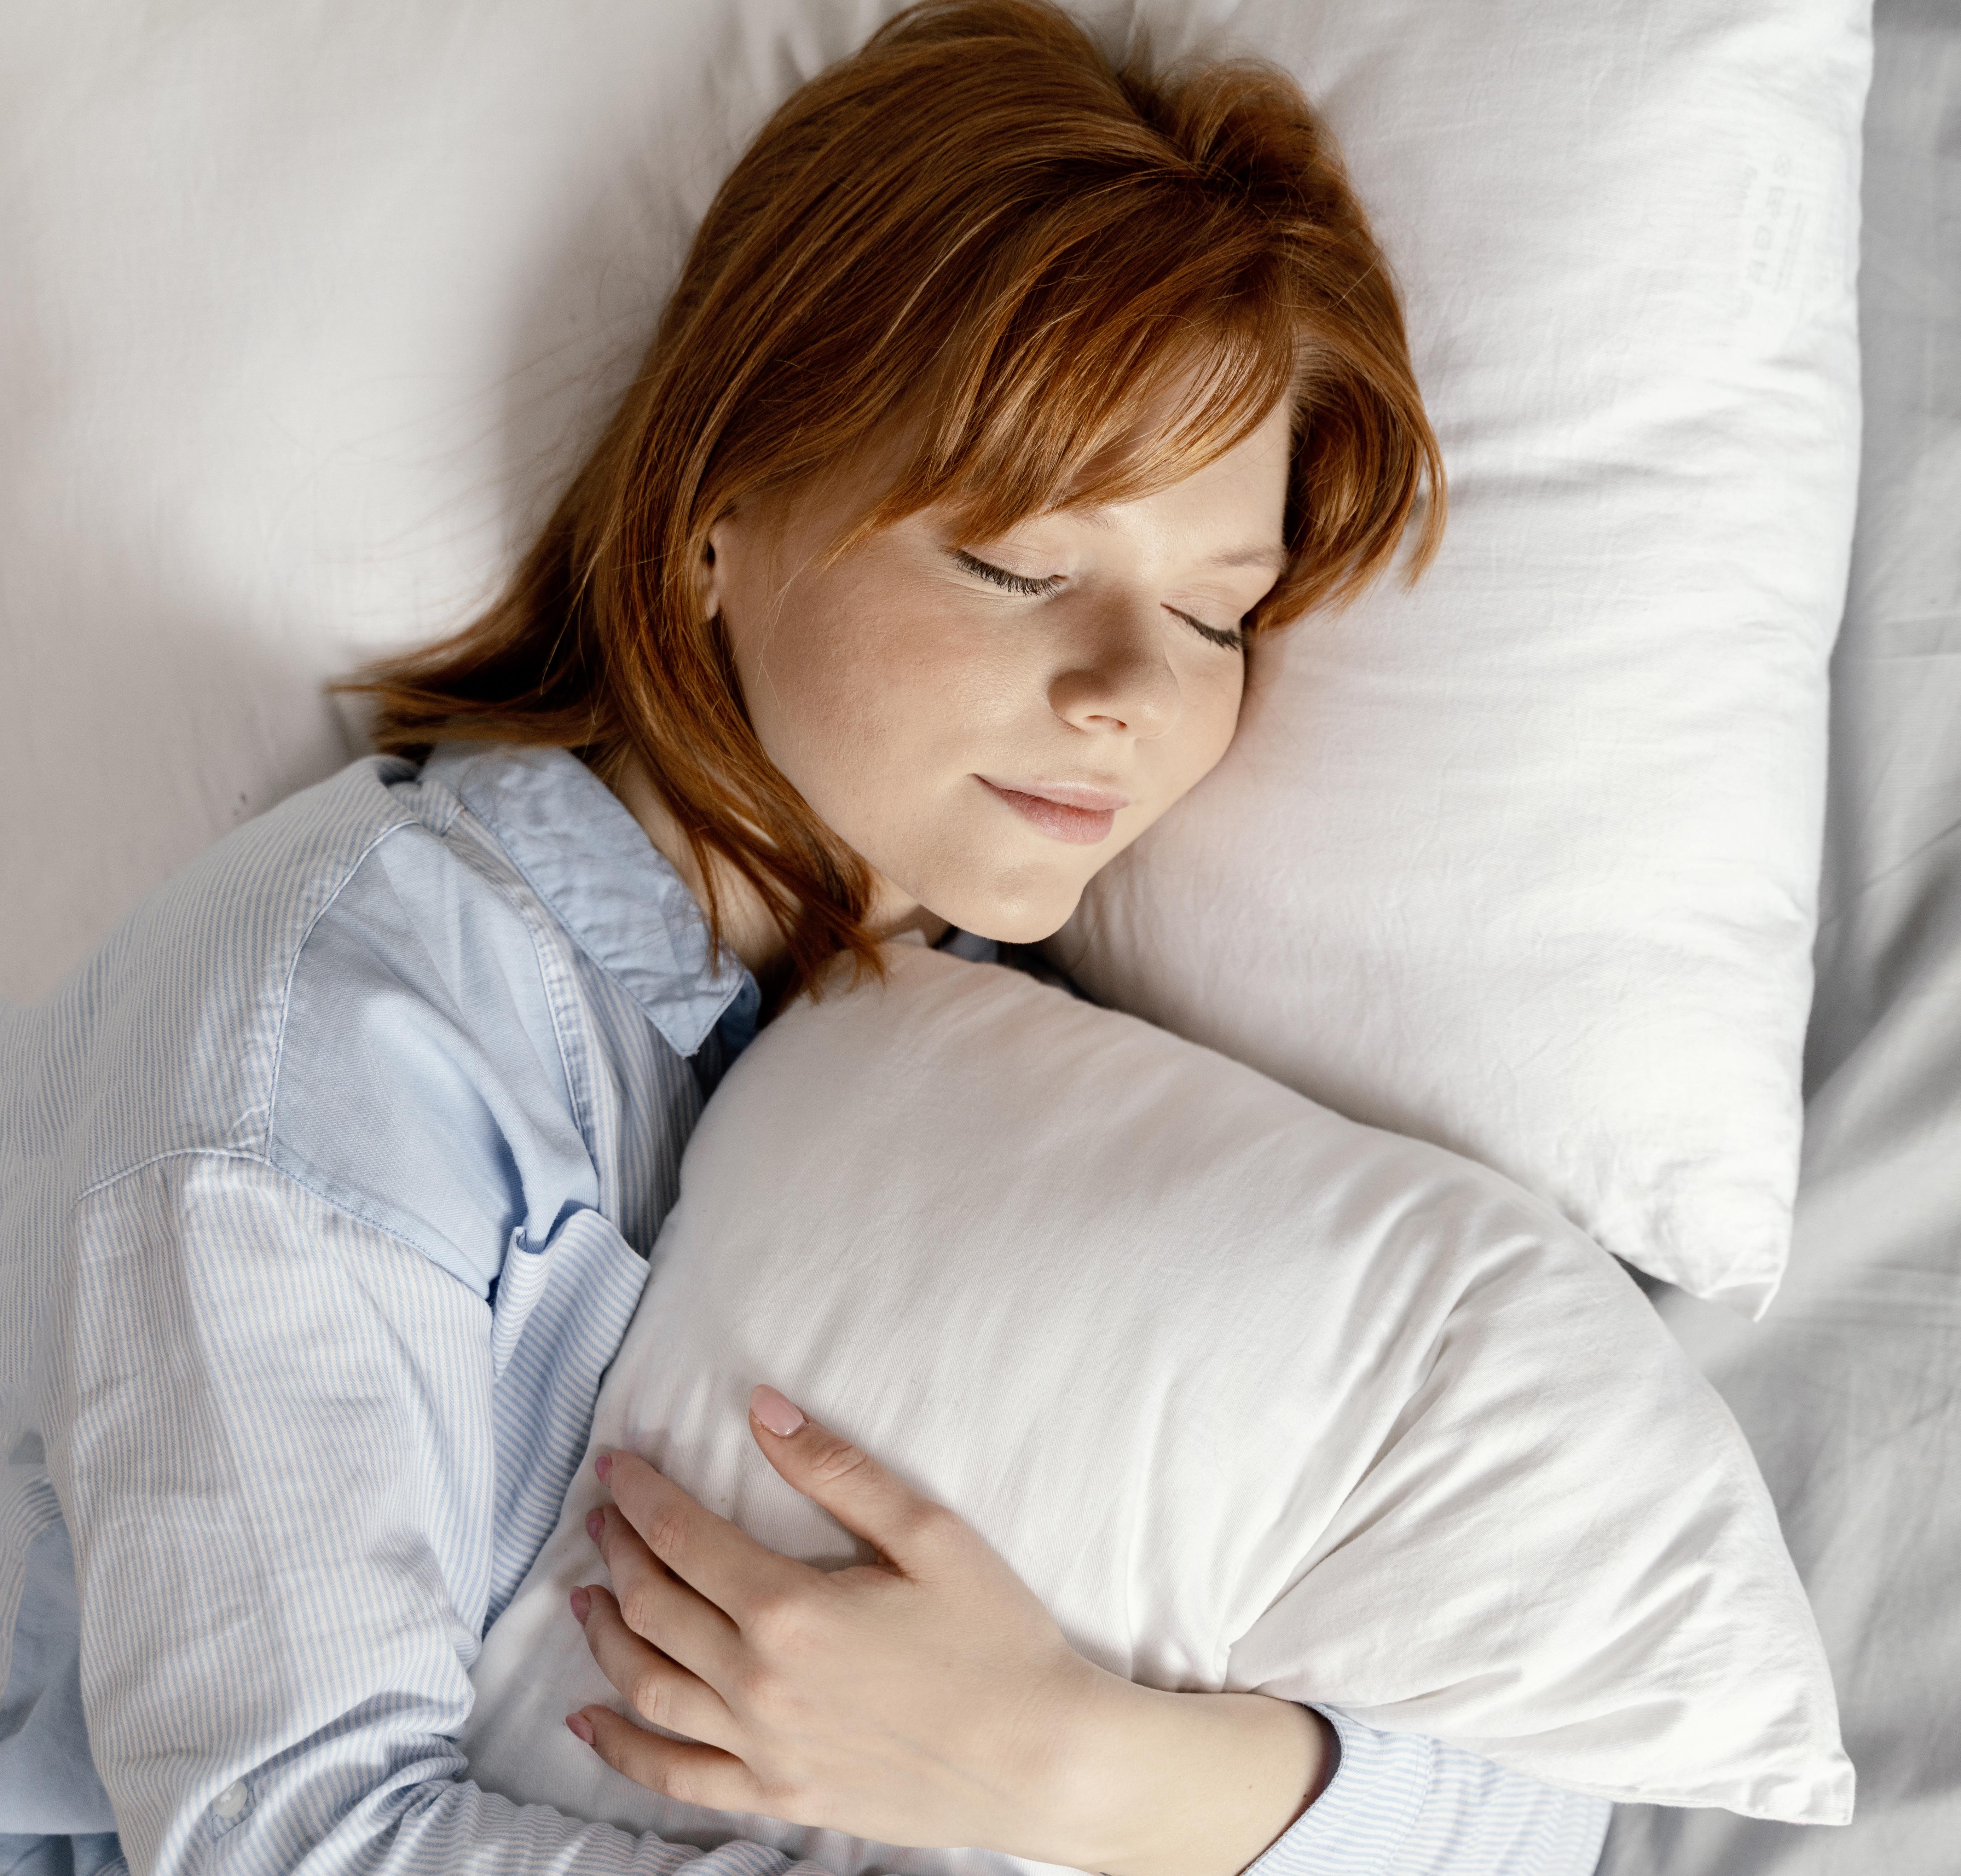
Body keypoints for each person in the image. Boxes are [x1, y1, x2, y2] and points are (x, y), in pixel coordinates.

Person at [0, 3, 1619, 1872]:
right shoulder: (341, 1034)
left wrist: (1071, 1768)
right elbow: (285, 1836)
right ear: (720, 514)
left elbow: (1541, 1767)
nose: (1124, 695)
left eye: (1217, 614)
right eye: (1019, 563)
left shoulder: (1030, 1074)